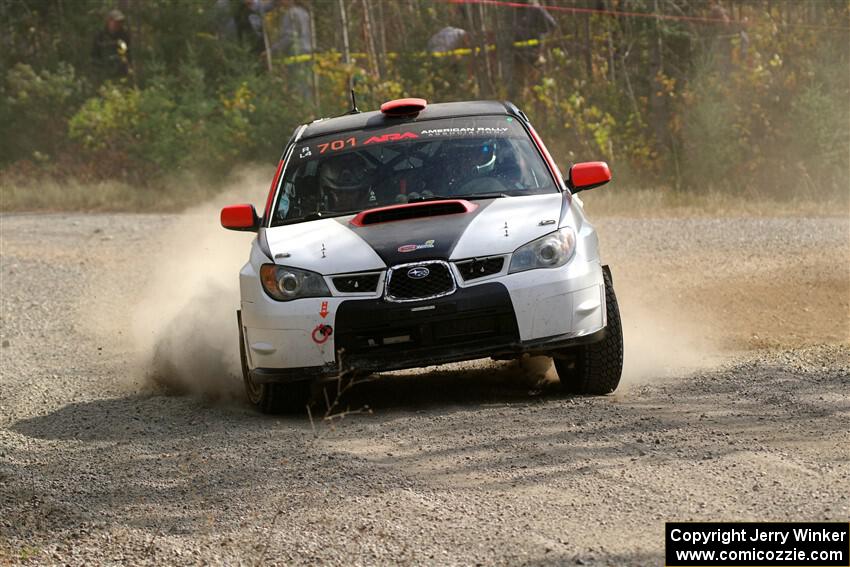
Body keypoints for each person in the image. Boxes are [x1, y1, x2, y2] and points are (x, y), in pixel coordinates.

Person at [91, 9, 131, 80]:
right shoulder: (100, 35)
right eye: (116, 22)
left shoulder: (124, 36)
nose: (118, 24)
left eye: (120, 22)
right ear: (109, 21)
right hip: (103, 72)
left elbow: (126, 53)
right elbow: (94, 55)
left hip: (120, 73)